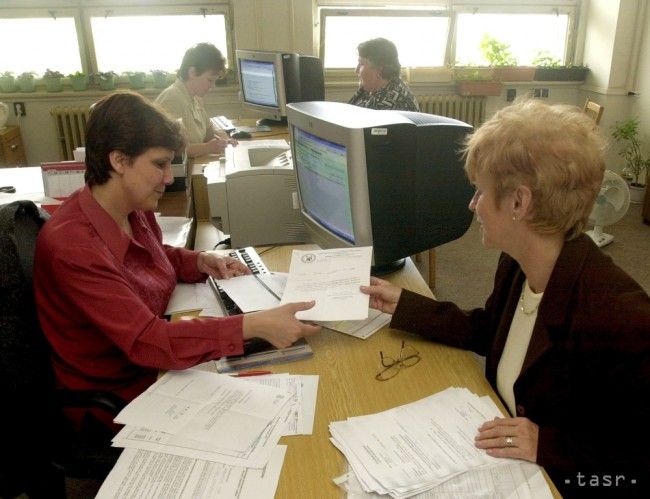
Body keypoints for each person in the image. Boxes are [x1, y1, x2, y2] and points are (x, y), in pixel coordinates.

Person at [361, 99, 649, 496]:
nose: (473, 204)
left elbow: (636, 462)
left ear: (519, 202)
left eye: (480, 191)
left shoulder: (622, 317)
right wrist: (407, 304)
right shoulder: (519, 263)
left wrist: (549, 446)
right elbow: (491, 330)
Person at [34, 91, 320, 436]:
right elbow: (148, 341)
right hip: (119, 394)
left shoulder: (130, 206)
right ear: (119, 160)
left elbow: (151, 257)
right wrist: (252, 325)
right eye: (159, 164)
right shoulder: (73, 246)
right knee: (267, 419)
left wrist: (199, 262)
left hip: (153, 365)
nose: (169, 177)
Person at [155, 42, 235, 158]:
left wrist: (225, 140)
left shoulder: (195, 98)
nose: (212, 87)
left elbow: (209, 131)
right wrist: (208, 148)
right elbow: (171, 151)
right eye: (209, 80)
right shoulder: (172, 100)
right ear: (192, 72)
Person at [348, 37, 419, 112]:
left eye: (361, 64)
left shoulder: (393, 104)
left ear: (379, 70)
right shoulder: (369, 89)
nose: (356, 70)